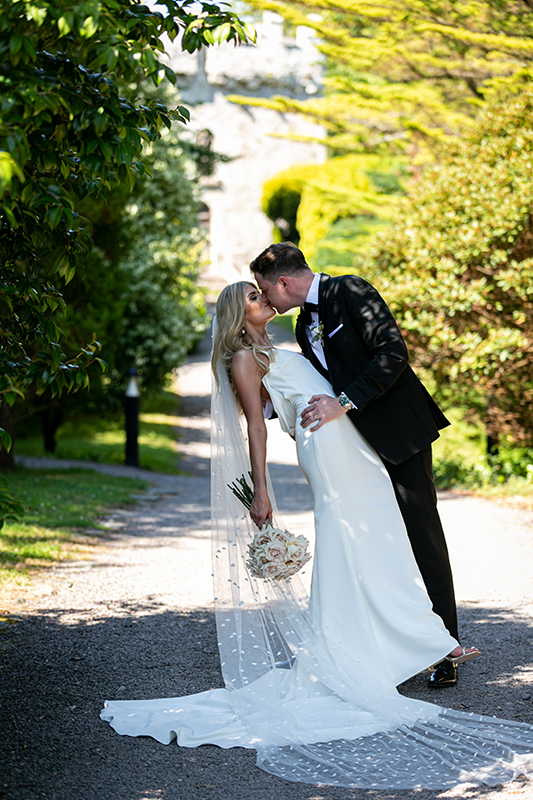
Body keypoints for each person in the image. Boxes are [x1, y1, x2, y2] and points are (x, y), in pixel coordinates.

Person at [101, 281, 533, 791]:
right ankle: (412, 642)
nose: (268, 301)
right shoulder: (244, 358)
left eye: (265, 293)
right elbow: (255, 429)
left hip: (347, 441)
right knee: (355, 538)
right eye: (256, 298)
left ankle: (410, 640)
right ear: (241, 315)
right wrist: (261, 490)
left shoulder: (278, 347)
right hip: (326, 451)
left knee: (378, 537)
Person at [251, 242, 459, 688]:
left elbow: (392, 354)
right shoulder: (305, 323)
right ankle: (387, 645)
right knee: (374, 542)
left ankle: (446, 648)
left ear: (284, 282)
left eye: (266, 291)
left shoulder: (352, 291)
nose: (266, 300)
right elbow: (317, 381)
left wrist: (344, 403)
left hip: (400, 434)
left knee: (421, 535)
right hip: (352, 448)